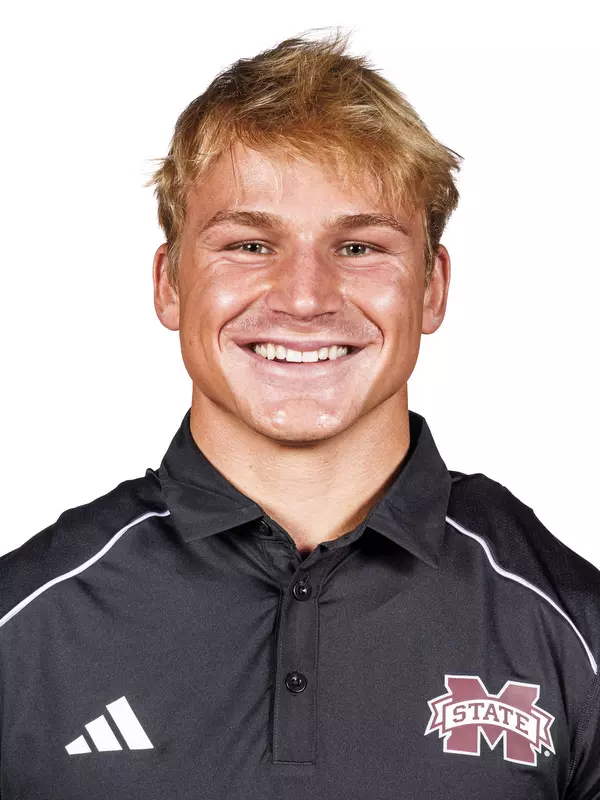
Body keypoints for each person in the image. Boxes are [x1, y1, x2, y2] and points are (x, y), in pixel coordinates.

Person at [1, 29, 598, 800]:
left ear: (431, 288)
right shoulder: (26, 628)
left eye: (359, 248)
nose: (305, 296)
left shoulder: (570, 630)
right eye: (250, 244)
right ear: (170, 285)